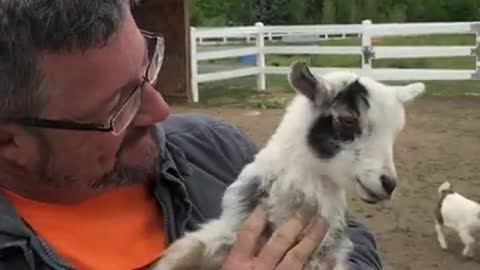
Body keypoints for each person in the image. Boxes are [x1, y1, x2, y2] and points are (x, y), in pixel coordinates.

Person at [0, 1, 383, 269]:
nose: (161, 110)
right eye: (118, 106)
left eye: (147, 65)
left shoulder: (214, 147)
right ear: (9, 142)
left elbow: (352, 236)